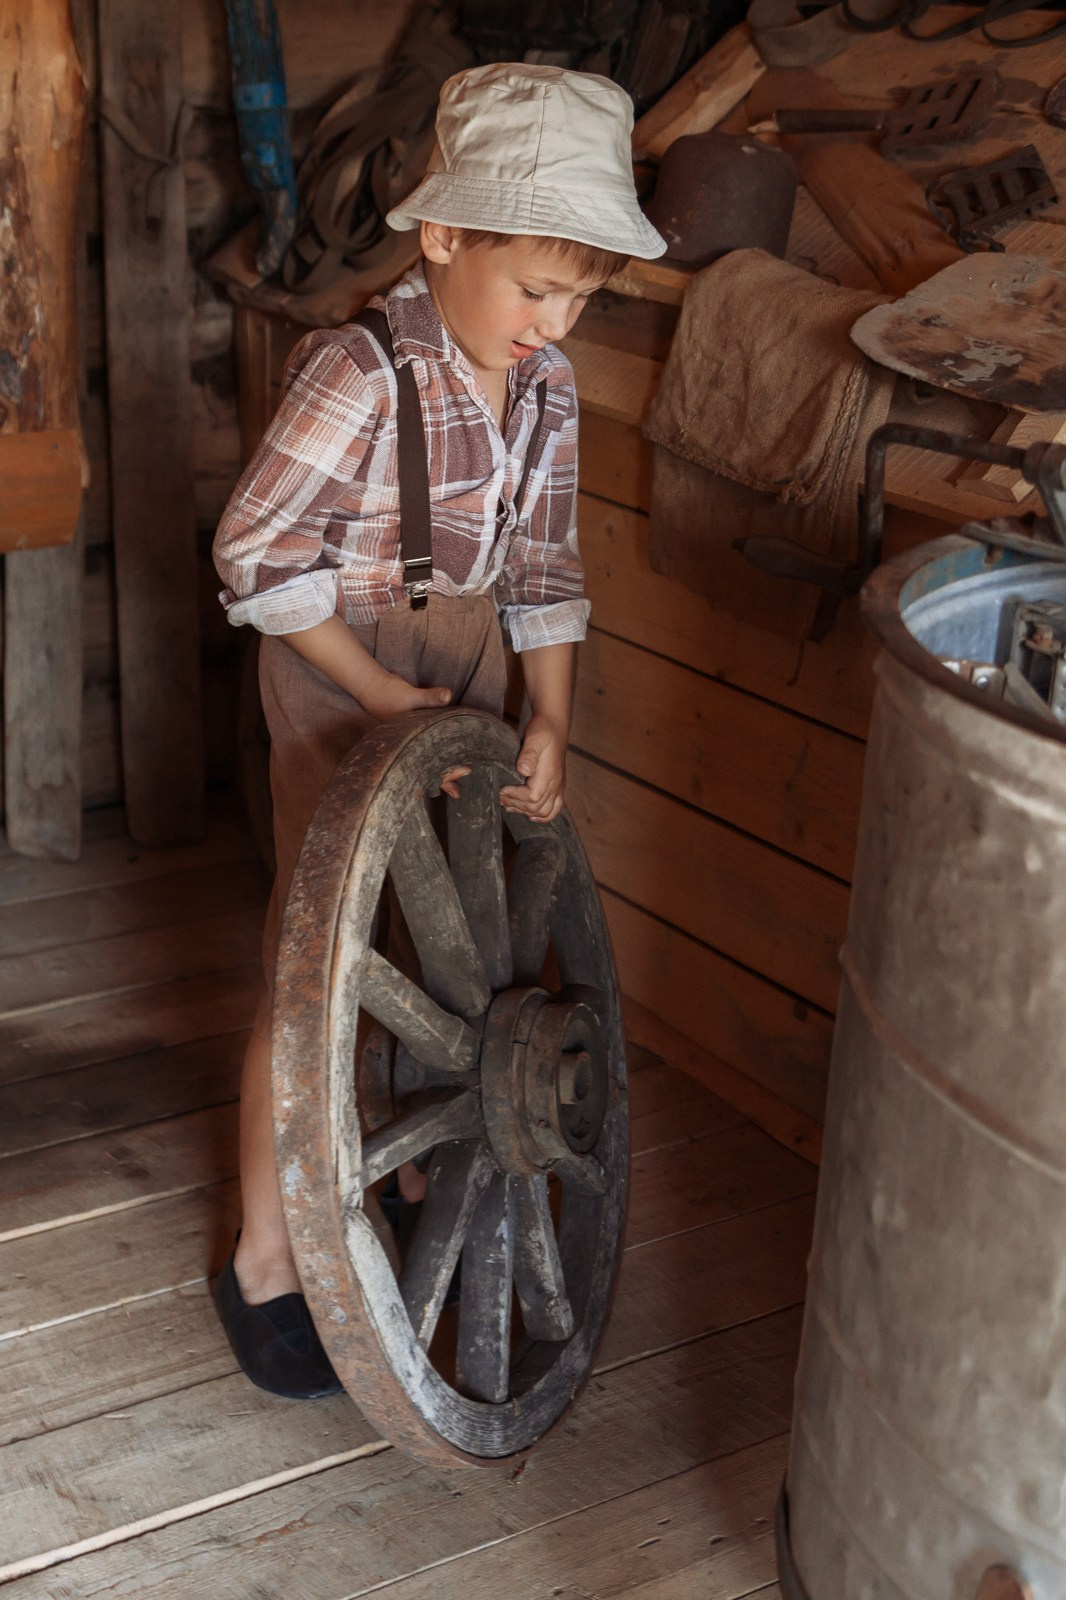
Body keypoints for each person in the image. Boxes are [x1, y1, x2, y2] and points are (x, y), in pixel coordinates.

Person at [210, 61, 666, 1398]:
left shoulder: (547, 390)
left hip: (462, 658)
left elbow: (542, 571)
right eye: (536, 285)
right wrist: (371, 689)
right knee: (317, 965)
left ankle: (402, 1172)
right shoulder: (357, 371)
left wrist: (551, 717)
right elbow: (254, 556)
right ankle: (264, 1258)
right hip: (334, 662)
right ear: (444, 235)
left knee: (441, 953)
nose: (556, 319)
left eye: (582, 293)